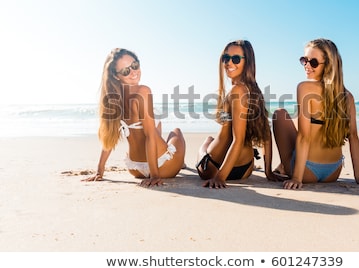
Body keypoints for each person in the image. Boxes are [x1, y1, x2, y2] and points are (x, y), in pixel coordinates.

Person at [272, 38, 359, 190]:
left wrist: (297, 178)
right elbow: (353, 137)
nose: (307, 66)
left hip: (307, 172)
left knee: (279, 114)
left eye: (313, 62)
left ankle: (284, 167)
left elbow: (304, 137)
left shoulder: (305, 88)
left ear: (328, 65)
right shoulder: (347, 96)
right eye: (304, 60)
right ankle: (282, 167)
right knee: (299, 119)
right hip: (333, 172)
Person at [83, 48, 186, 187]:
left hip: (135, 169)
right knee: (176, 132)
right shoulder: (143, 91)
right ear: (116, 76)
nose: (133, 72)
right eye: (126, 71)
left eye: (135, 66)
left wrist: (99, 171)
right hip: (163, 167)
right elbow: (150, 135)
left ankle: (162, 155)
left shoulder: (113, 98)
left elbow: (109, 138)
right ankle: (179, 162)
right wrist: (155, 175)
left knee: (156, 127)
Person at [196, 40, 283, 188]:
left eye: (236, 59)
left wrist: (220, 177)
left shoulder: (237, 91)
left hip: (216, 167)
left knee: (205, 144)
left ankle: (206, 144)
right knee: (212, 138)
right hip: (245, 169)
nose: (229, 63)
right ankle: (209, 143)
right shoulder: (255, 91)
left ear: (247, 62)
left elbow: (238, 139)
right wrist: (268, 171)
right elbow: (266, 132)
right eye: (226, 58)